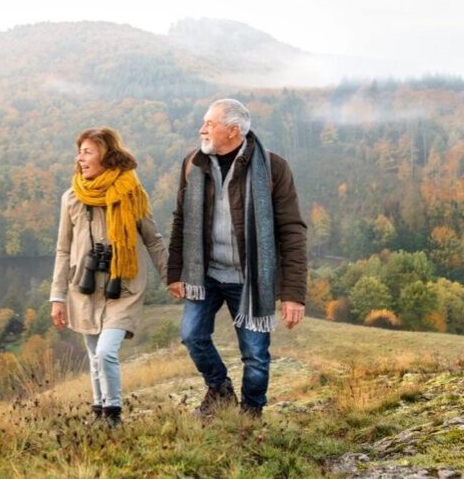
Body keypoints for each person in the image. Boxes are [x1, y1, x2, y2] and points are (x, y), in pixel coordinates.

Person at [167, 98, 307, 419]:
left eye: (209, 124)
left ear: (233, 131)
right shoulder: (193, 164)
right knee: (192, 335)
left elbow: (292, 231)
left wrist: (293, 295)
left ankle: (251, 413)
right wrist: (176, 271)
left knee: (255, 356)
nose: (202, 129)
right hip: (207, 274)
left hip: (251, 279)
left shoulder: (273, 169)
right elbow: (181, 219)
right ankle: (220, 390)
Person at [50, 127, 168, 426]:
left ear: (106, 155)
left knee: (105, 352)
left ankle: (113, 415)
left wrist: (171, 277)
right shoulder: (71, 198)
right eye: (80, 152)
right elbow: (63, 250)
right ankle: (99, 411)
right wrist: (57, 297)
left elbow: (153, 239)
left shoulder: (131, 194)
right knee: (93, 355)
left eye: (87, 152)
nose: (80, 158)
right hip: (84, 287)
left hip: (123, 286)